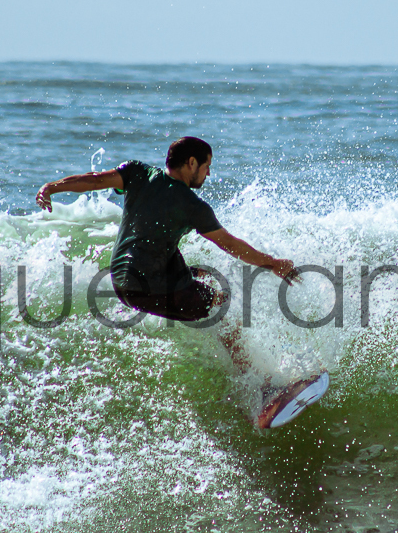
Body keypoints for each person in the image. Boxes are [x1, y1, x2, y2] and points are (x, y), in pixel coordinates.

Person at [35, 136, 297, 371]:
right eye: (207, 166)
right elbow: (230, 244)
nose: (208, 173)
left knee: (197, 272)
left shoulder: (137, 172)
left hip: (122, 280)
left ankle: (229, 355)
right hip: (150, 286)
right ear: (191, 163)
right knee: (221, 303)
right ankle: (253, 379)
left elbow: (94, 180)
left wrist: (51, 187)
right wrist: (273, 263)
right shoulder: (193, 206)